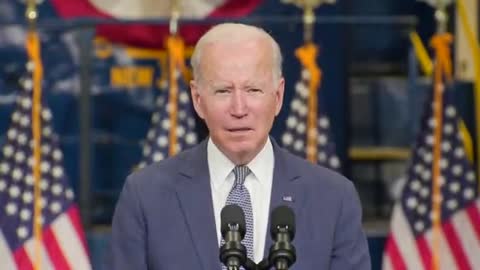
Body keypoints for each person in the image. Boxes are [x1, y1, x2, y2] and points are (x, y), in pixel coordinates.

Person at [107, 23, 371, 269]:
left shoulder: (334, 198)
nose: (239, 108)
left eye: (253, 90)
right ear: (198, 100)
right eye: (223, 91)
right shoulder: (145, 196)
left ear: (277, 97)